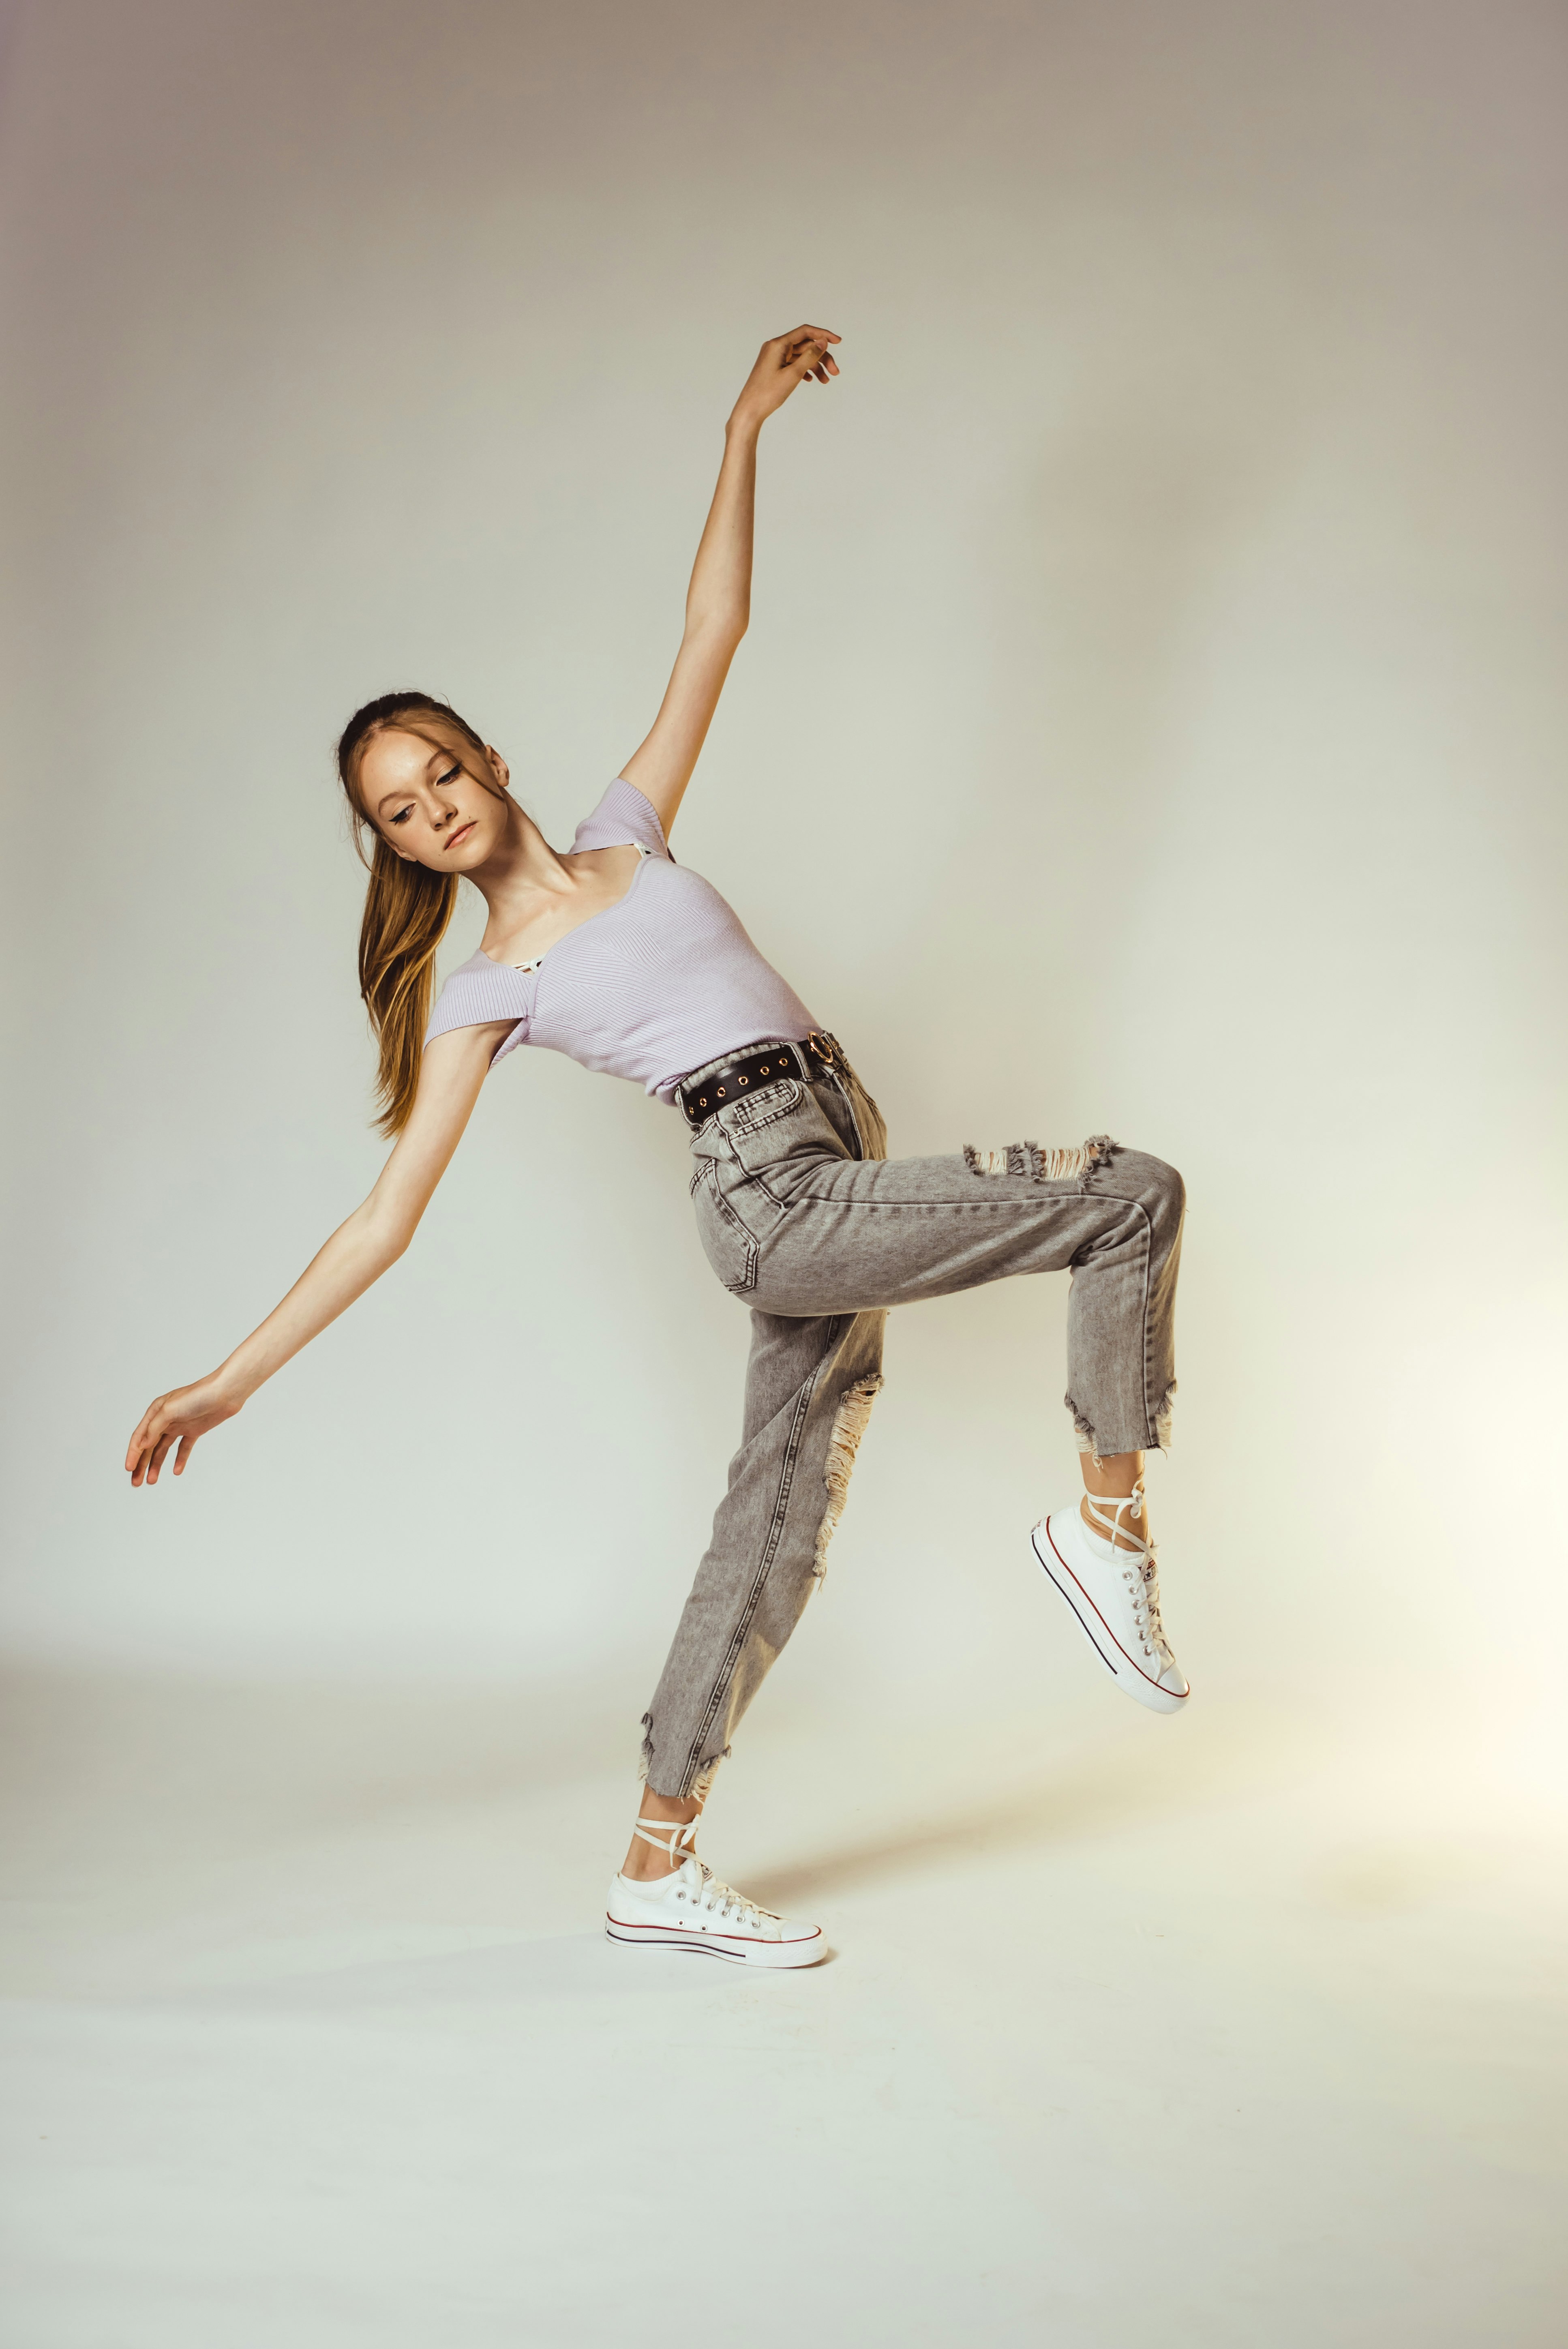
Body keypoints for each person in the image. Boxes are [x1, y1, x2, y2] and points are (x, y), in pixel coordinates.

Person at [125, 324, 1188, 1971]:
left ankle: (656, 1859)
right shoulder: (485, 988)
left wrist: (740, 429)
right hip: (775, 1195)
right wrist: (226, 1379)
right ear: (394, 846)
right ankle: (1106, 1527)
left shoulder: (625, 831)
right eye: (398, 815)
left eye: (436, 775)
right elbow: (383, 1218)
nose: (431, 815)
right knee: (1126, 1196)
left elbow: (714, 630)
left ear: (479, 752)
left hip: (834, 1149)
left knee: (772, 1523)